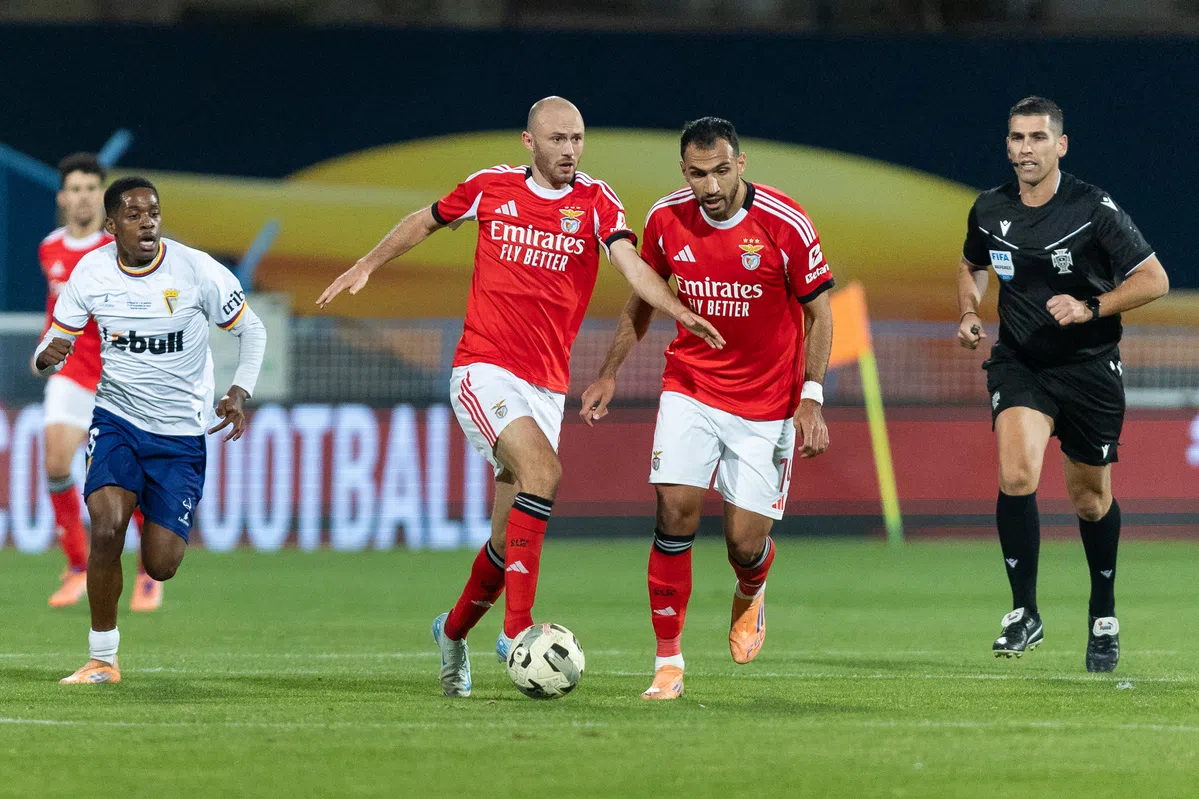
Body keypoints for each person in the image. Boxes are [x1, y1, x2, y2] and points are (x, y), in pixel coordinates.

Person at [317, 96, 724, 698]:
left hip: (545, 388)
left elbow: (632, 266)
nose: (570, 150)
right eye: (558, 139)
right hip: (483, 370)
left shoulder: (596, 201)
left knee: (507, 542)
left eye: (577, 138)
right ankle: (517, 634)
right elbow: (426, 219)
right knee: (544, 472)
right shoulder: (491, 187)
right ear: (529, 142)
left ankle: (451, 631)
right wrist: (368, 263)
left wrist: (676, 311)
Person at [579, 117, 835, 699]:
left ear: (741, 164)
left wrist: (812, 397)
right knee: (674, 511)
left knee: (744, 544)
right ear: (684, 171)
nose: (711, 186)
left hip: (767, 403)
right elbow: (643, 300)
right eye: (699, 174)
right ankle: (668, 662)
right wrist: (609, 372)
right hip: (690, 386)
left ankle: (751, 589)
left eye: (721, 170)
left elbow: (820, 312)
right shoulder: (665, 219)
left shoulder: (785, 223)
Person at [956, 96, 1169, 672]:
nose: (1025, 149)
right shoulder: (989, 208)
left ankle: (1103, 612)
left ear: (1061, 145)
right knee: (1016, 474)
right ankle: (1024, 612)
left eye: (1037, 138)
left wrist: (1090, 306)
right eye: (1016, 138)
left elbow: (1154, 279)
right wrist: (970, 310)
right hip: (1020, 362)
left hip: (1090, 369)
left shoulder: (1093, 208)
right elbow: (972, 264)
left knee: (1090, 500)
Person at [35, 177, 267, 684]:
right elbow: (52, 344)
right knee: (106, 527)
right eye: (134, 215)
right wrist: (47, 355)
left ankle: (151, 541)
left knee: (161, 563)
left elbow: (252, 329)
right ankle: (102, 658)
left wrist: (239, 391)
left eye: (153, 214)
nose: (147, 223)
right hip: (117, 421)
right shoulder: (91, 272)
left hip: (180, 436)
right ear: (112, 224)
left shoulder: (196, 270)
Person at [37, 153, 160, 611]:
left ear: (103, 197)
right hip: (71, 374)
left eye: (92, 188)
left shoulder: (117, 249)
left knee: (127, 478)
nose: (83, 197)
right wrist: (44, 347)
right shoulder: (50, 248)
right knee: (55, 463)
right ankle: (76, 567)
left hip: (115, 376)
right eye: (76, 189)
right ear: (63, 198)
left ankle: (148, 572)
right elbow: (55, 311)